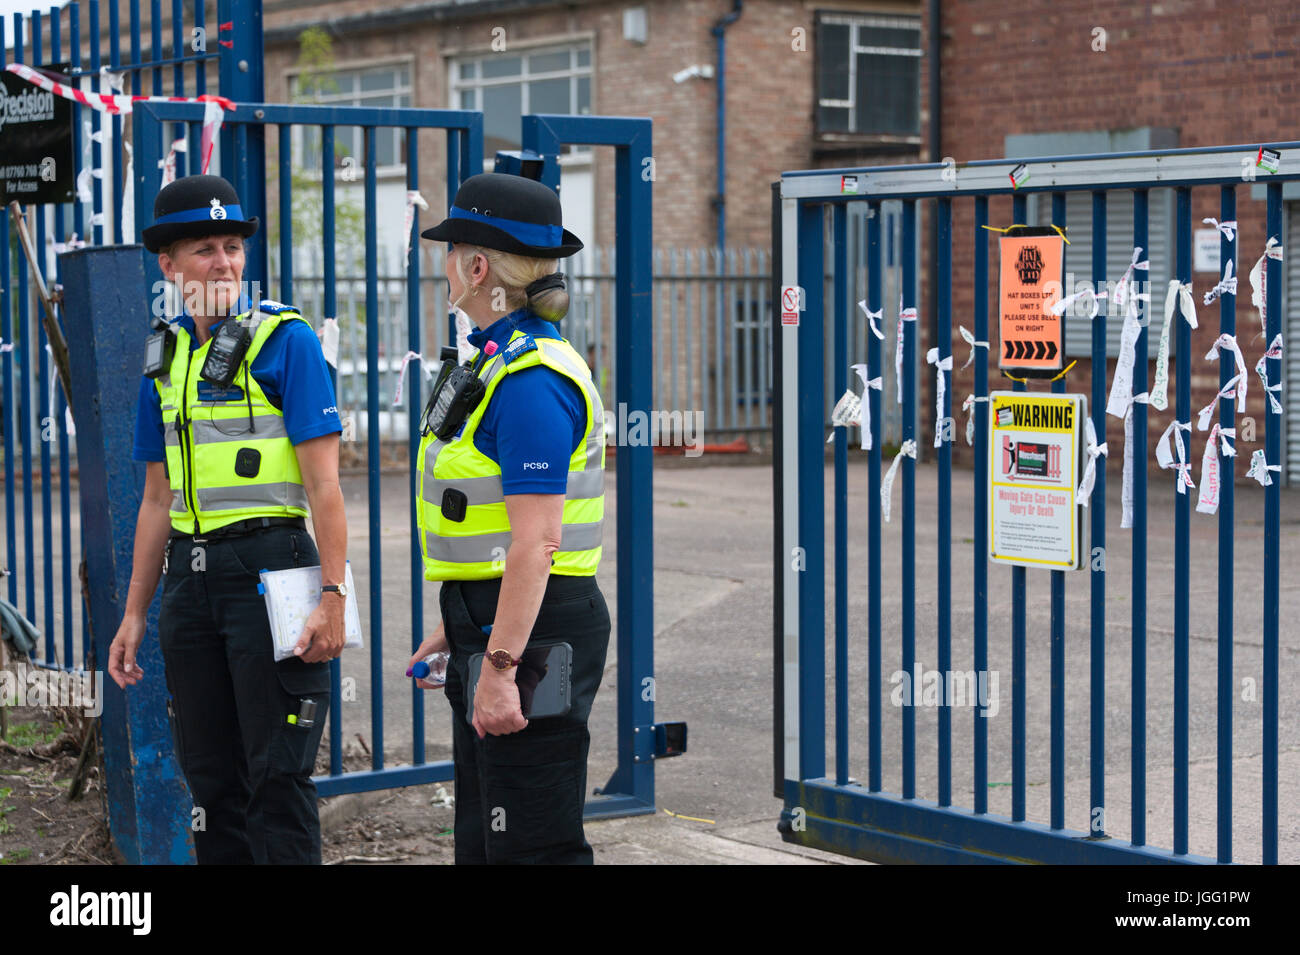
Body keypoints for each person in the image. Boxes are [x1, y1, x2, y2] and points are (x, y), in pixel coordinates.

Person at [106, 174, 347, 865]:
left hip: (274, 569)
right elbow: (157, 499)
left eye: (233, 246)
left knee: (279, 773)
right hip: (191, 579)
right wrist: (134, 614)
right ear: (170, 265)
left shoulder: (285, 341)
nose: (224, 262)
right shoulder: (165, 358)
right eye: (206, 248)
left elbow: (325, 488)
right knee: (210, 781)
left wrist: (334, 594)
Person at [407, 172, 610, 864]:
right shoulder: (496, 359)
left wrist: (498, 664)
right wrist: (457, 623)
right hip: (500, 619)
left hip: (537, 632)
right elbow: (491, 526)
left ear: (477, 267)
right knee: (487, 836)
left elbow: (537, 541)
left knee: (531, 843)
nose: (444, 265)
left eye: (451, 249)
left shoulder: (530, 381)